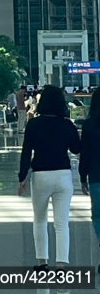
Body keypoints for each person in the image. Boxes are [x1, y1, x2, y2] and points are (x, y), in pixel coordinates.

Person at [18, 84, 81, 271]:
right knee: (62, 224)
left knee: (40, 219)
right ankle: (61, 265)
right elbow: (76, 149)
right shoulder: (67, 124)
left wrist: (22, 177)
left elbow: (26, 153)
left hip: (41, 175)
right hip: (63, 175)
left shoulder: (33, 124)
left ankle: (42, 262)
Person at [80, 90, 100, 271]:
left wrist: (82, 177)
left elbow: (84, 154)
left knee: (98, 216)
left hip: (96, 177)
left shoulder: (89, 125)